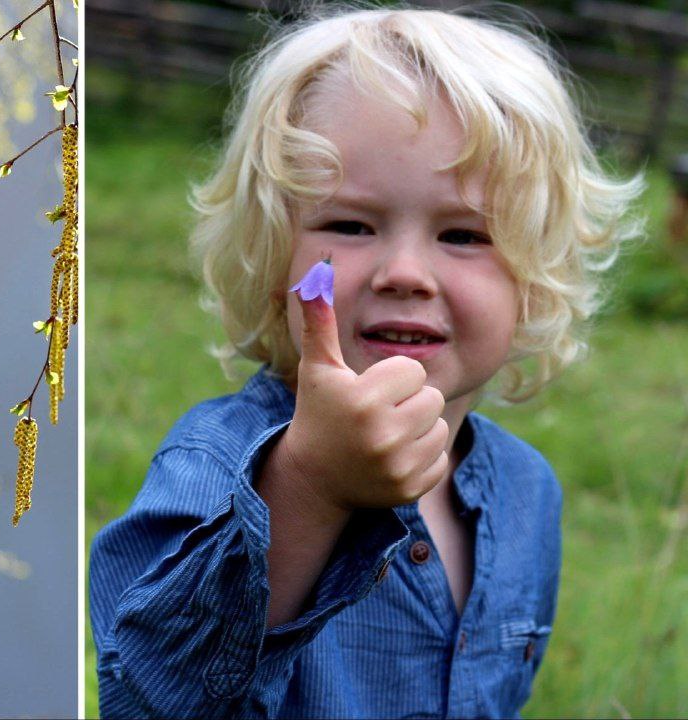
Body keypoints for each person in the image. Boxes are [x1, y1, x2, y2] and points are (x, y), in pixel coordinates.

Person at [88, 6, 644, 718]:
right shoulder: (215, 463)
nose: (405, 272)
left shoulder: (527, 492)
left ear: (535, 278)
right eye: (350, 225)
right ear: (270, 255)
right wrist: (311, 487)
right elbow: (150, 698)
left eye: (465, 235)